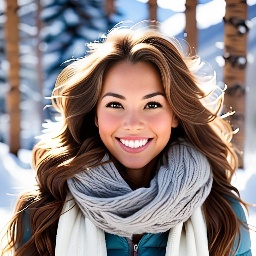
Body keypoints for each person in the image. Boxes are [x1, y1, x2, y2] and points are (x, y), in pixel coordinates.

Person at [1, 21, 252, 256]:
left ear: (175, 114)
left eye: (152, 104)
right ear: (95, 114)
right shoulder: (44, 210)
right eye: (115, 104)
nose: (132, 124)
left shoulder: (221, 212)